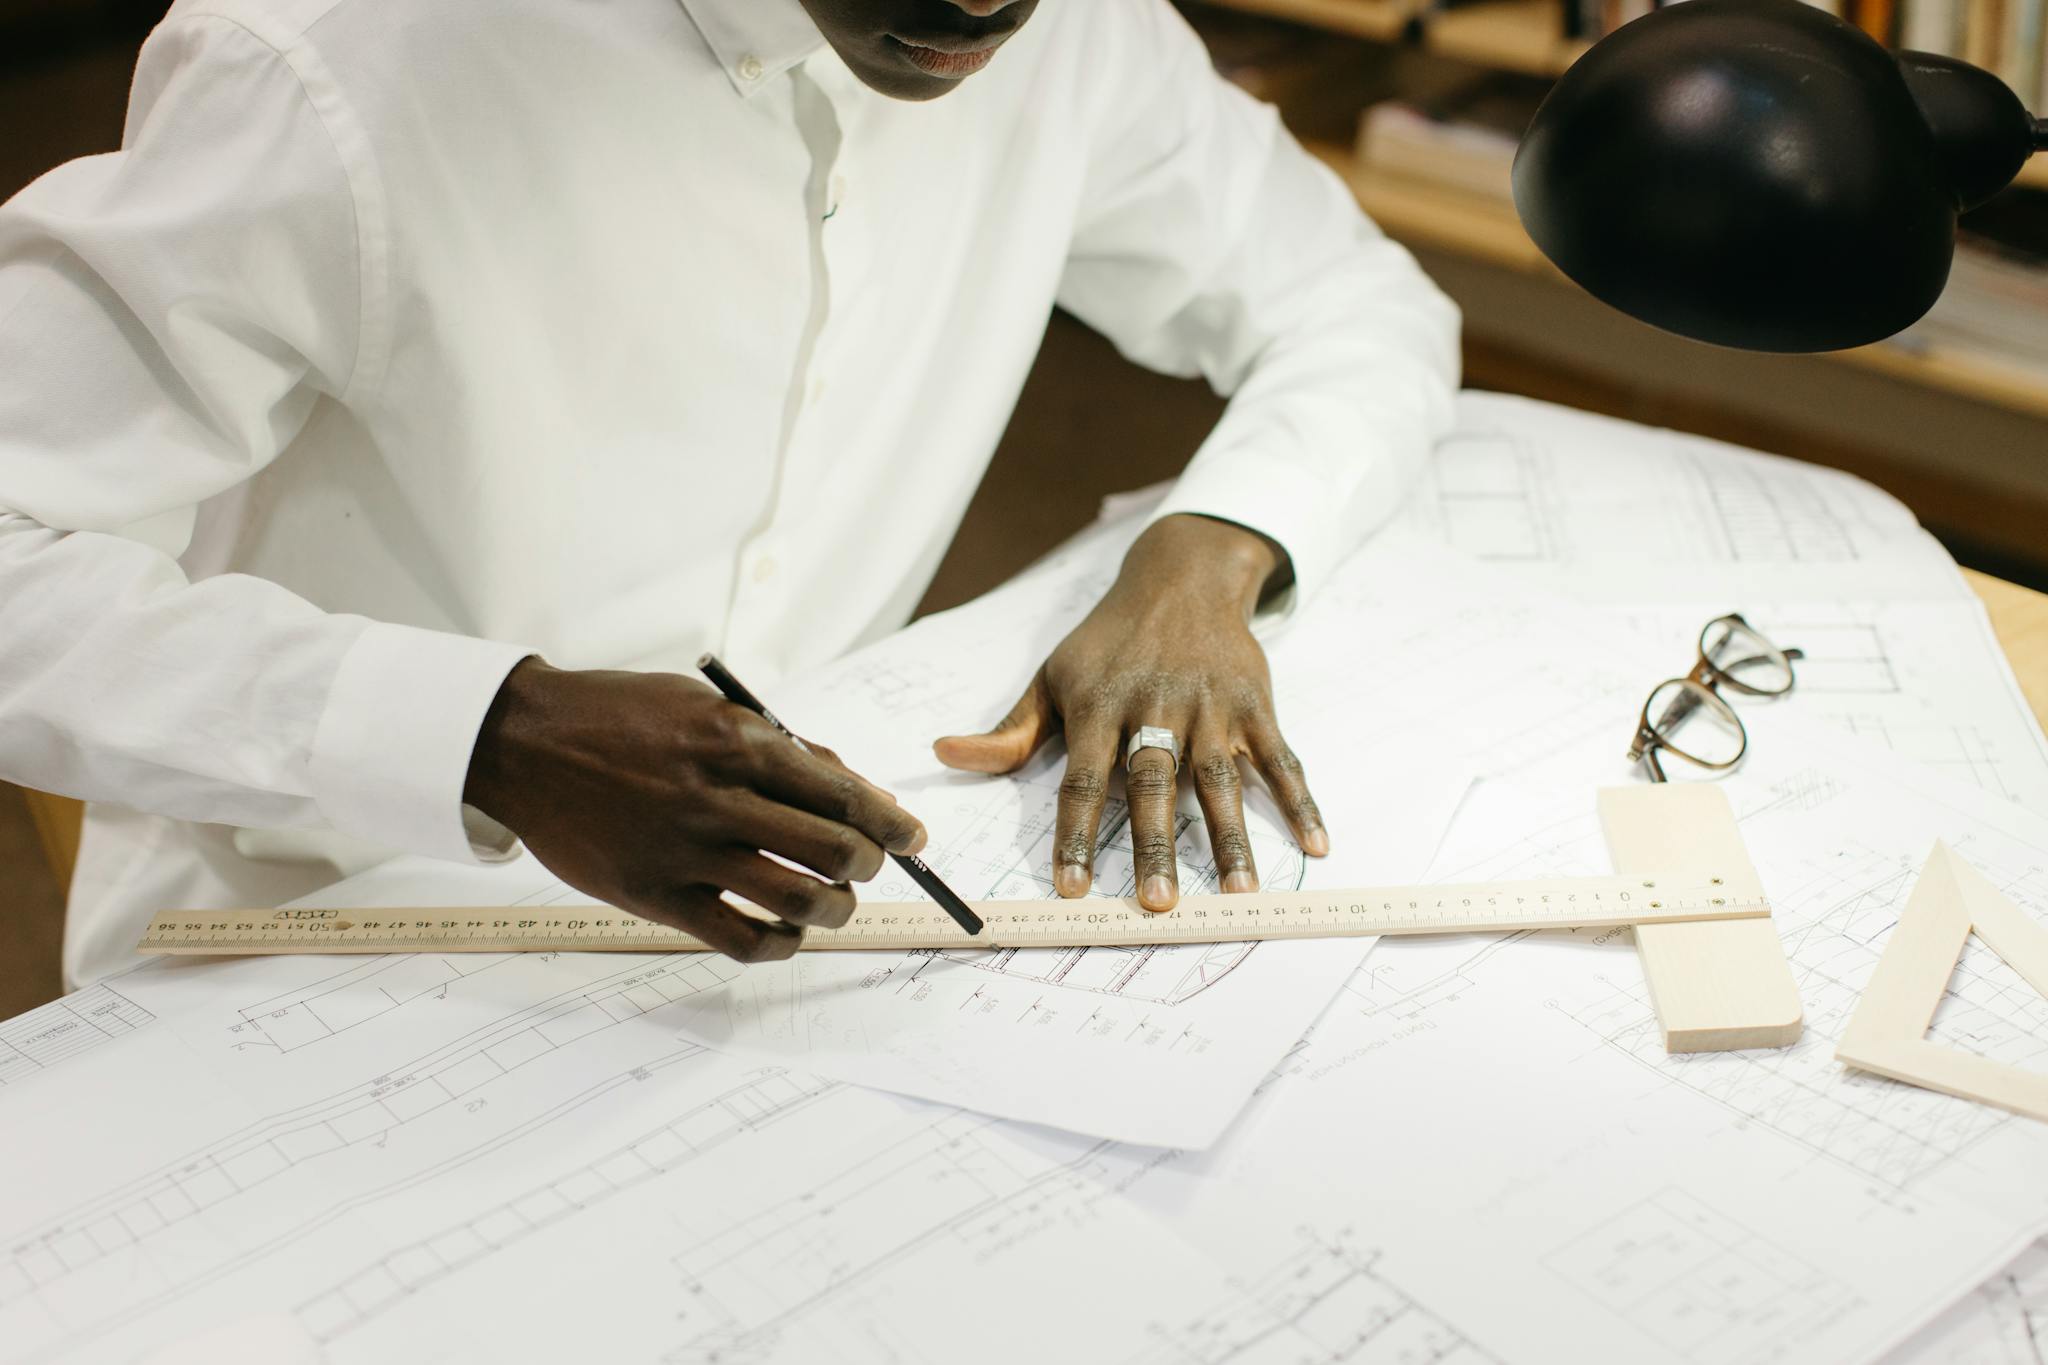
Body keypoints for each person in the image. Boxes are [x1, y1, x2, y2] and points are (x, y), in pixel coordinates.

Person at [0, 0, 1459, 986]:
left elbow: (1357, 306)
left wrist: (1207, 555)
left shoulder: (1074, 33)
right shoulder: (337, 61)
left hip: (788, 966)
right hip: (318, 941)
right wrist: (488, 734)